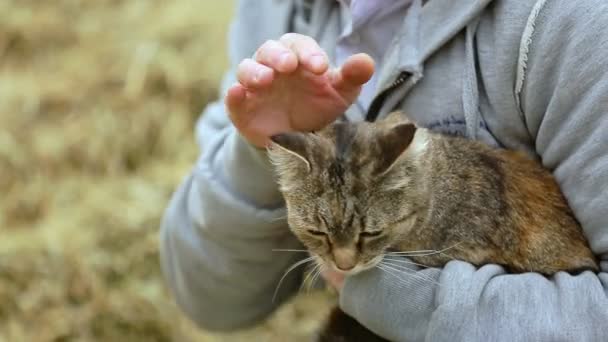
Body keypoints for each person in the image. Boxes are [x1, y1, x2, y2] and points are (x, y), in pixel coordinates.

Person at [160, 0, 608, 341]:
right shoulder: (276, 10)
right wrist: (259, 151)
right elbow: (210, 301)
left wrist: (388, 298)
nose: (344, 261)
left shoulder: (576, 21)